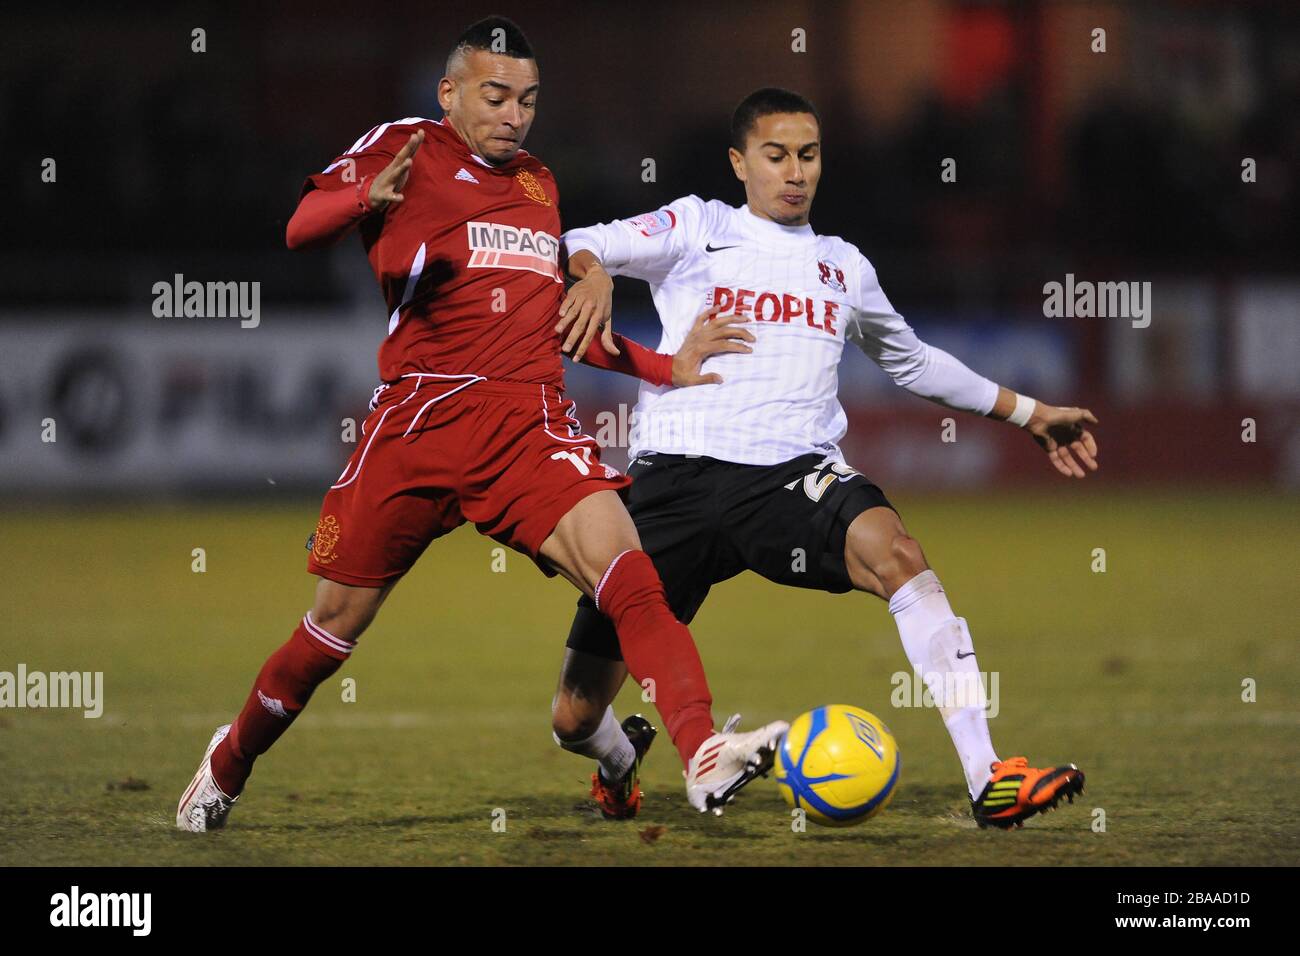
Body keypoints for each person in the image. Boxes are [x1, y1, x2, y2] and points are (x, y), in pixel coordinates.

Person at [176, 18, 787, 832]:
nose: (514, 114)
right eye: (496, 96)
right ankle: (229, 762)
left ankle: (703, 751)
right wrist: (367, 197)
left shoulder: (539, 185)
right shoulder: (406, 146)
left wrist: (661, 366)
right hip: (419, 424)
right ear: (450, 92)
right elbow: (299, 225)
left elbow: (558, 325)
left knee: (630, 574)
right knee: (332, 629)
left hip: (527, 426)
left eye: (528, 100)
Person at [550, 87, 1098, 829]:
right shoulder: (697, 226)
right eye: (776, 156)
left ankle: (988, 774)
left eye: (808, 155)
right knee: (576, 714)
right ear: (740, 162)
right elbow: (582, 237)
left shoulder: (844, 266)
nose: (795, 171)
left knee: (899, 553)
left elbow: (913, 363)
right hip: (671, 481)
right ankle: (619, 761)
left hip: (788, 476)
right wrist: (594, 272)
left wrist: (1030, 414)